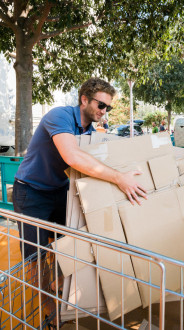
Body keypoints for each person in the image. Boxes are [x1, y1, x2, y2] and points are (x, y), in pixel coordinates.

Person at [13, 77, 147, 261]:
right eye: (101, 105)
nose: (104, 111)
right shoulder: (60, 116)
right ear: (84, 99)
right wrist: (119, 178)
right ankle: (40, 290)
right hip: (31, 191)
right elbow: (73, 156)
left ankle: (57, 286)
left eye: (108, 107)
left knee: (69, 242)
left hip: (60, 189)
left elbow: (95, 163)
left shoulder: (90, 132)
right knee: (35, 254)